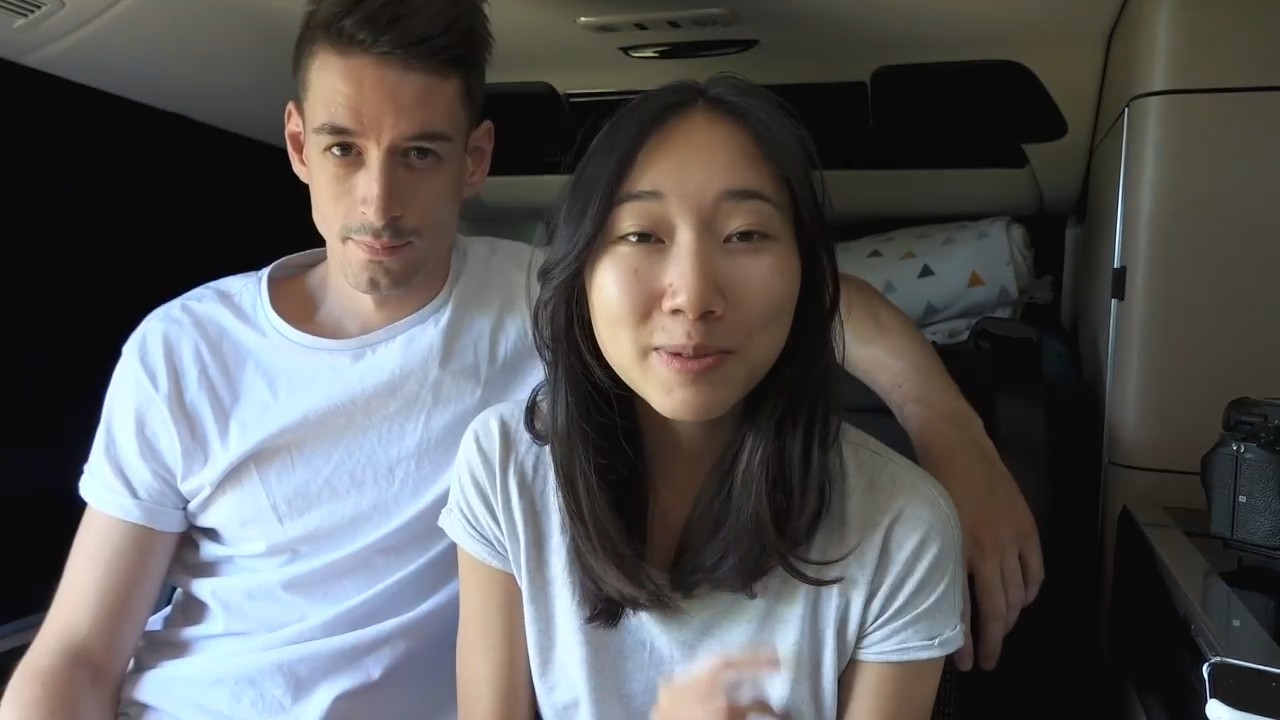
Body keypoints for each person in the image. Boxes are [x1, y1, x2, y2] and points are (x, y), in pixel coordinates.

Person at [0, 0, 1039, 718]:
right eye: (344, 148)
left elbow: (802, 302)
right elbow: (80, 652)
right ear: (297, 145)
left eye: (419, 153)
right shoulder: (183, 350)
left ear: (476, 160)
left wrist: (954, 440)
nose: (377, 202)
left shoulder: (553, 299)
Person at [441, 73, 965, 720]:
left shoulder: (902, 525)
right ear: (583, 270)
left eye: (745, 235)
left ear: (805, 274)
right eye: (642, 235)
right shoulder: (505, 467)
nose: (692, 296)